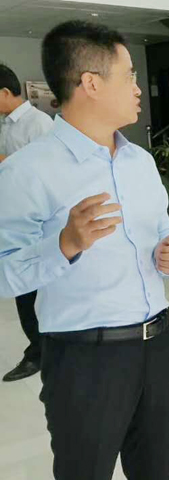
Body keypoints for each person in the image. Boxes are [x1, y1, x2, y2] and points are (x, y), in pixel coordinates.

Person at [0, 21, 169, 480]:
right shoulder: (27, 171)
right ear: (91, 83)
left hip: (158, 346)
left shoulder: (140, 161)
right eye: (129, 76)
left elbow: (161, 227)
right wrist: (64, 245)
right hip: (85, 360)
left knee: (156, 475)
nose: (138, 88)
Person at [0, 62, 54, 382]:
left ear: (5, 92)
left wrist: (5, 162)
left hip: (37, 223)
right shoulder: (6, 125)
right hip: (14, 219)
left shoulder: (39, 123)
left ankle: (40, 352)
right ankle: (39, 347)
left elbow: (51, 169)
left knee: (35, 291)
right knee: (23, 288)